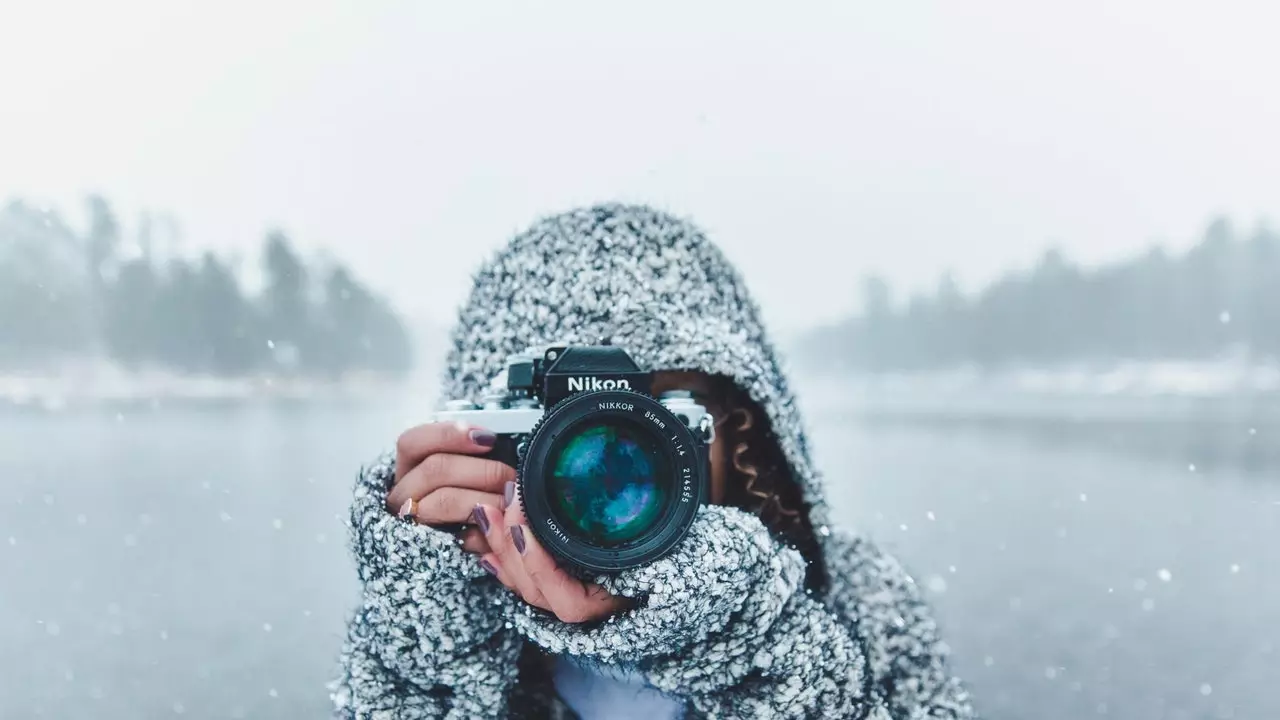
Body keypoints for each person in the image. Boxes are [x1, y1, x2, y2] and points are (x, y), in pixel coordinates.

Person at [330, 204, 976, 719]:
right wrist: (428, 649)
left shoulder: (859, 597)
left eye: (657, 418)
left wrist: (752, 641)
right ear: (481, 434)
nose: (609, 475)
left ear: (741, 429)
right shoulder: (458, 617)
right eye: (556, 430)